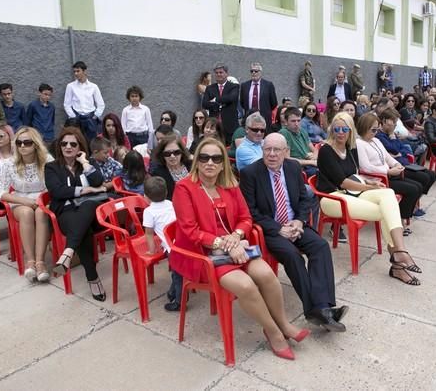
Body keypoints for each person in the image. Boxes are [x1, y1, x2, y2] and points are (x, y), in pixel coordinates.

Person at [172, 138, 309, 360]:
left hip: (236, 246)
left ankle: (283, 324)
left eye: (216, 158)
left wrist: (236, 237)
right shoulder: (184, 188)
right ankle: (273, 332)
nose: (210, 163)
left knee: (267, 275)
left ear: (222, 162)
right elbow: (190, 231)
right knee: (246, 286)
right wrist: (225, 244)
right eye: (204, 157)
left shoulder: (230, 184)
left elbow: (246, 218)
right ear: (197, 161)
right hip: (204, 255)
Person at [240, 133, 348, 331]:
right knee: (293, 256)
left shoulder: (292, 167)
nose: (272, 154)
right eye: (267, 149)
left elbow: (304, 199)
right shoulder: (250, 173)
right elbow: (250, 212)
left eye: (277, 150)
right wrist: (279, 229)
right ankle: (315, 309)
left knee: (321, 246)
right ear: (262, 150)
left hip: (295, 224)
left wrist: (298, 221)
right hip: (270, 230)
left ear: (286, 152)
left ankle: (323, 307)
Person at [316, 112, 422, 285]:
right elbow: (343, 182)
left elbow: (354, 175)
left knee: (388, 194)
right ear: (332, 130)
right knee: (385, 211)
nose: (341, 132)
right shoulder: (326, 150)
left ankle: (399, 251)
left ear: (351, 130)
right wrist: (369, 186)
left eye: (345, 129)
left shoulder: (351, 149)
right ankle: (398, 262)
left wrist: (370, 181)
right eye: (337, 129)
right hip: (332, 197)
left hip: (352, 192)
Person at [45, 127, 108, 301]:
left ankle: (68, 252)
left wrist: (85, 163)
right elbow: (57, 191)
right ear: (59, 146)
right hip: (66, 213)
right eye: (64, 143)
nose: (68, 147)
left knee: (88, 206)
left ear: (80, 146)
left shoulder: (88, 162)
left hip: (93, 214)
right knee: (82, 230)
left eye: (73, 144)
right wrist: (85, 190)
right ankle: (92, 278)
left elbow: (99, 181)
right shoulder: (52, 167)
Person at [0, 127, 53, 282]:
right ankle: (30, 261)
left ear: (35, 144)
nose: (22, 146)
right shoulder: (9, 164)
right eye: (19, 142)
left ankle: (40, 262)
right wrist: (26, 201)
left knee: (40, 213)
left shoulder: (47, 160)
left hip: (43, 200)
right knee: (27, 212)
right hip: (20, 200)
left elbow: (53, 186)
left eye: (27, 142)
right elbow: (0, 192)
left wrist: (40, 201)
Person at [356, 113, 425, 228]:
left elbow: (387, 157)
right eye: (373, 130)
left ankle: (401, 217)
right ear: (364, 128)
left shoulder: (375, 141)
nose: (375, 132)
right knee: (412, 189)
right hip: (377, 180)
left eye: (377, 130)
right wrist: (387, 171)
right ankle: (399, 222)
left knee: (418, 186)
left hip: (388, 175)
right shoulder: (359, 143)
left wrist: (397, 164)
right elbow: (365, 167)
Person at [377, 110, 436, 217]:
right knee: (424, 178)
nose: (395, 125)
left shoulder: (392, 135)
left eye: (396, 122)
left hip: (404, 162)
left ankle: (414, 202)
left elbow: (403, 149)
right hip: (397, 168)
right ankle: (411, 207)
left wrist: (397, 152)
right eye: (393, 122)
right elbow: (394, 149)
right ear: (384, 122)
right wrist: (394, 142)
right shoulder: (380, 136)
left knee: (431, 175)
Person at [141, 176, 182, 311]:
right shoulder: (170, 203)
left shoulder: (149, 211)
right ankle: (172, 293)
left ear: (146, 196)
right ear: (166, 193)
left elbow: (149, 233)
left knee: (177, 276)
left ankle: (179, 301)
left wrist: (151, 251)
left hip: (173, 249)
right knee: (178, 274)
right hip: (182, 242)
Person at [63, 61, 105, 142]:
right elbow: (66, 104)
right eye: (74, 71)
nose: (75, 73)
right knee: (77, 141)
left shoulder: (93, 87)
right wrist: (73, 116)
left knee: (92, 141)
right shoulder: (70, 86)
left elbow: (101, 104)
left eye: (78, 71)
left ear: (85, 71)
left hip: (90, 118)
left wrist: (95, 116)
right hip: (77, 119)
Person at [202, 63, 240, 144]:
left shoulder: (234, 86)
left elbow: (231, 98)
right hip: (214, 127)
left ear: (226, 73)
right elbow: (205, 104)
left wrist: (215, 100)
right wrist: (222, 103)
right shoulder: (210, 88)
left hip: (229, 126)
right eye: (216, 73)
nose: (218, 74)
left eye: (221, 72)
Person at [149, 133, 191, 200]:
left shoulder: (191, 165)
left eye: (176, 152)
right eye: (167, 153)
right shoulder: (157, 173)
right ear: (162, 154)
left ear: (182, 152)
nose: (172, 156)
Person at [280, 107, 318, 177]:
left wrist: (314, 156)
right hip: (298, 169)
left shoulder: (302, 131)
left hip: (310, 164)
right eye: (293, 121)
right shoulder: (284, 133)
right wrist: (311, 162)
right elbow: (287, 159)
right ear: (286, 122)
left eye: (298, 120)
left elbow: (314, 149)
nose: (297, 123)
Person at [240, 62, 278, 127]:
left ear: (260, 72)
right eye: (251, 71)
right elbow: (242, 102)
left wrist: (265, 111)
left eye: (256, 71)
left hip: (264, 118)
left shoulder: (268, 85)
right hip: (249, 118)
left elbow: (274, 103)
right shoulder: (244, 85)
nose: (253, 73)